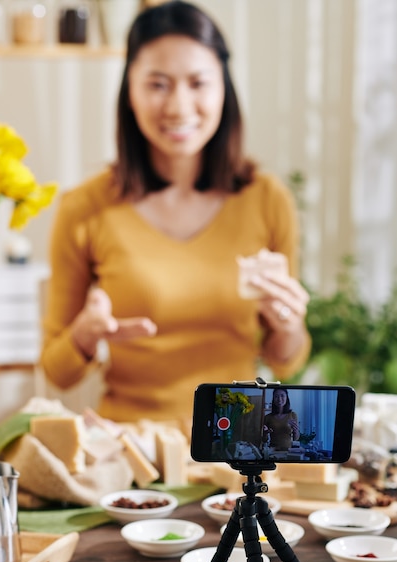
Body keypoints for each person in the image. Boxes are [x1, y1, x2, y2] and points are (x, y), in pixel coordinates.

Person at [40, 0, 311, 432]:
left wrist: (289, 324)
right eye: (158, 84)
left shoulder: (267, 199)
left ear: (224, 86)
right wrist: (85, 334)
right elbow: (57, 372)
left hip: (237, 447)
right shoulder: (84, 208)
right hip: (133, 450)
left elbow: (287, 357)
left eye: (198, 83)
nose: (179, 107)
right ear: (130, 90)